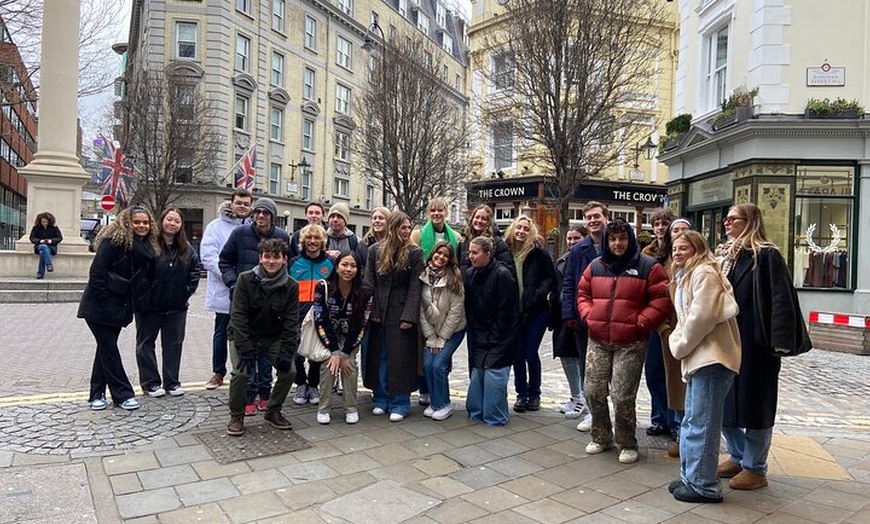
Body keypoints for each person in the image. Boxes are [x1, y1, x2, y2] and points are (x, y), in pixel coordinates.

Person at [716, 203, 810, 491]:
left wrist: (779, 343)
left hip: (757, 347)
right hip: (727, 343)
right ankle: (738, 455)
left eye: (734, 218)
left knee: (756, 406)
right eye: (727, 219)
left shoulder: (766, 255)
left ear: (750, 221)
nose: (727, 223)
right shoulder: (725, 257)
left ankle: (756, 468)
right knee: (724, 405)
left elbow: (781, 299)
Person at [577, 218, 671, 464]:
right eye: (613, 238)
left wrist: (640, 323)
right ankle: (601, 436)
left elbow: (660, 301)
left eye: (622, 238)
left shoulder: (648, 267)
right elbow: (583, 293)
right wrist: (589, 316)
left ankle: (627, 442)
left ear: (630, 239)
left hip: (631, 342)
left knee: (622, 395)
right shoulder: (596, 266)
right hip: (598, 339)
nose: (617, 243)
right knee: (593, 391)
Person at [666, 230, 741, 504]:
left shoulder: (704, 273)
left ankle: (704, 485)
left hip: (712, 358)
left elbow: (701, 318)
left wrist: (679, 343)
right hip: (702, 358)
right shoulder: (688, 274)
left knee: (702, 424)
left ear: (697, 248)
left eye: (684, 247)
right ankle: (691, 477)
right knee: (692, 421)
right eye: (675, 248)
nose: (677, 252)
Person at [78, 207, 159, 411]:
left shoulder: (147, 247)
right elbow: (96, 275)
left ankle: (96, 394)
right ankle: (122, 394)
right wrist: (106, 301)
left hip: (121, 308)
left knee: (105, 349)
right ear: (126, 223)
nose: (142, 226)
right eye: (137, 222)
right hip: (99, 307)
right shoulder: (112, 243)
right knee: (110, 350)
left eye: (145, 222)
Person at [220, 197, 291, 415]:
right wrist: (234, 283)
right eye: (258, 212)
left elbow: (291, 322)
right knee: (244, 362)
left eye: (266, 212)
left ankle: (265, 395)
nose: (261, 216)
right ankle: (245, 399)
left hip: (272, 307)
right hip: (244, 298)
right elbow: (224, 260)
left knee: (271, 358)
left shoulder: (282, 236)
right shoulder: (240, 234)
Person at [226, 238, 299, 436]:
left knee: (289, 371)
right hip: (245, 335)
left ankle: (273, 410)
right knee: (240, 373)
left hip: (272, 337)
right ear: (260, 258)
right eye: (267, 257)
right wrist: (245, 347)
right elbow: (238, 316)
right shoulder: (245, 279)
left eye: (276, 257)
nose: (271, 261)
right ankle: (237, 415)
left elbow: (292, 322)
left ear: (284, 259)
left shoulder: (291, 286)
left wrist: (286, 352)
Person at [135, 208, 202, 398]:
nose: (172, 224)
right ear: (161, 220)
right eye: (169, 219)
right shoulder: (148, 245)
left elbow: (195, 272)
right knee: (146, 345)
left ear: (181, 225)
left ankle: (172, 382)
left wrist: (185, 293)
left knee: (173, 345)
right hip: (150, 307)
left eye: (177, 221)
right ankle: (151, 383)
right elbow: (139, 272)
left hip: (177, 307)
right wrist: (145, 295)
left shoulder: (187, 249)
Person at [363, 211, 424, 422]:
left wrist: (409, 316)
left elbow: (416, 287)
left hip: (401, 314)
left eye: (409, 227)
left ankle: (400, 402)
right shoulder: (374, 250)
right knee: (380, 357)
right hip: (379, 312)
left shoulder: (415, 253)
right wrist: (373, 311)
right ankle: (381, 398)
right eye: (403, 227)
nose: (407, 231)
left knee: (401, 360)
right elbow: (369, 282)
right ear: (393, 228)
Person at [562, 201, 609, 432]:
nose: (593, 220)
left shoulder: (618, 242)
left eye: (596, 216)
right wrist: (569, 313)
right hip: (585, 317)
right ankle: (593, 412)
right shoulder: (578, 250)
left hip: (613, 318)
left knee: (612, 369)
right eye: (589, 217)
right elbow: (569, 282)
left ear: (605, 217)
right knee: (587, 367)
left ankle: (612, 413)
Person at [313, 251, 374, 424]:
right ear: (337, 266)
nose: (348, 269)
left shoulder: (366, 290)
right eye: (344, 264)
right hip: (328, 336)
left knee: (349, 365)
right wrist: (333, 350)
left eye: (353, 266)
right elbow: (320, 320)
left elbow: (363, 324)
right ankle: (324, 408)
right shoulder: (323, 286)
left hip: (352, 337)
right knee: (328, 364)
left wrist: (346, 352)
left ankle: (351, 408)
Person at [201, 189, 252, 390]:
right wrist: (231, 278)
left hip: (249, 291)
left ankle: (246, 371)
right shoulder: (215, 226)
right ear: (231, 203)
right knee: (222, 331)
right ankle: (218, 372)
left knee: (248, 332)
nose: (242, 206)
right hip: (226, 288)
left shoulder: (253, 226)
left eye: (246, 204)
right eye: (238, 202)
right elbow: (209, 257)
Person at [464, 236, 519, 426]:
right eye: (469, 252)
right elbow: (469, 308)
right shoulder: (470, 274)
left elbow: (507, 312)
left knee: (494, 378)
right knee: (477, 377)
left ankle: (495, 418)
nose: (470, 256)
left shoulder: (503, 275)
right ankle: (477, 413)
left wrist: (493, 338)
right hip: (480, 335)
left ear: (488, 254)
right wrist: (480, 335)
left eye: (475, 253)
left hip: (501, 337)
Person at [505, 215, 556, 413]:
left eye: (526, 229)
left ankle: (534, 394)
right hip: (514, 311)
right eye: (519, 227)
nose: (522, 232)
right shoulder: (505, 251)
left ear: (531, 232)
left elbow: (550, 277)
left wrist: (537, 293)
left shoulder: (538, 253)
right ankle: (521, 394)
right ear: (513, 228)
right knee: (517, 354)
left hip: (537, 310)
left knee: (530, 352)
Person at [640, 208, 680, 439]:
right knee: (654, 371)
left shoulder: (679, 252)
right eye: (656, 224)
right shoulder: (648, 253)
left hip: (675, 319)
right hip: (654, 320)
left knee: (672, 373)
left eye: (665, 223)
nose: (660, 227)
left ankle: (674, 421)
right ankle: (659, 418)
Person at [418, 241, 466, 421]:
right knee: (428, 364)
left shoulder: (454, 279)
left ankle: (445, 404)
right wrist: (431, 336)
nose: (441, 257)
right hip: (432, 330)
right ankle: (435, 402)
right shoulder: (423, 276)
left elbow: (455, 312)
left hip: (453, 331)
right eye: (438, 253)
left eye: (446, 255)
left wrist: (441, 338)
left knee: (438, 365)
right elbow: (421, 310)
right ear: (432, 254)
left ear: (449, 259)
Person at [288, 223, 334, 406]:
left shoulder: (330, 263)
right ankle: (301, 383)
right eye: (309, 238)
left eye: (316, 238)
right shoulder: (293, 263)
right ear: (303, 241)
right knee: (296, 353)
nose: (313, 241)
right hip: (296, 314)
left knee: (316, 354)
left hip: (320, 315)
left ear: (323, 241)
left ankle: (313, 385)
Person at [550, 224, 586, 419]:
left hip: (580, 316)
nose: (572, 242)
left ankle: (584, 399)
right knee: (565, 356)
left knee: (581, 358)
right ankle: (576, 395)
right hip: (563, 317)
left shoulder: (588, 259)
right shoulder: (562, 260)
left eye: (576, 238)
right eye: (570, 238)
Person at [457, 204, 513, 275]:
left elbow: (507, 268)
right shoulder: (464, 242)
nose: (479, 221)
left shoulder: (497, 242)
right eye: (477, 217)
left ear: (489, 222)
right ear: (472, 219)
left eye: (484, 219)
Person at [29, 212, 63, 279]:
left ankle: (40, 273)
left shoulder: (54, 228)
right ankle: (49, 265)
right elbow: (32, 238)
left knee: (43, 253)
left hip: (51, 247)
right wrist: (40, 241)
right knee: (43, 246)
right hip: (39, 246)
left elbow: (59, 238)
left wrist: (51, 241)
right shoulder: (36, 228)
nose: (44, 223)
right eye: (43, 221)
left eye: (46, 221)